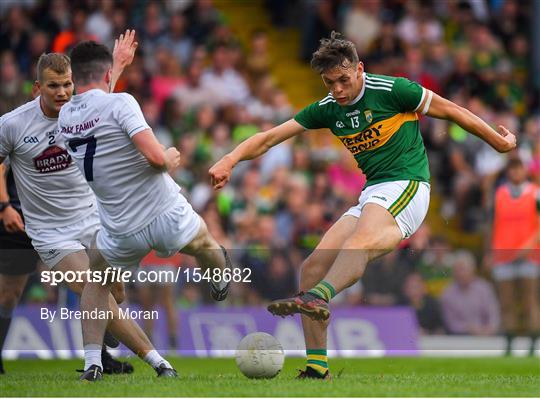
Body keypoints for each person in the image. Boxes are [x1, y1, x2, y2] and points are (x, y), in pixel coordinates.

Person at [209, 31, 516, 379]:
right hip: (373, 194)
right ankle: (316, 368)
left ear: (359, 69)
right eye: (329, 83)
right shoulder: (327, 109)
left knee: (353, 249)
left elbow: (452, 111)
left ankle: (320, 296)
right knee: (311, 269)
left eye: (343, 80)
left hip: (408, 186)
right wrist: (230, 159)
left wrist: (498, 141)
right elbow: (268, 138)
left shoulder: (394, 90)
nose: (337, 90)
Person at [0, 31, 172, 378]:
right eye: (52, 86)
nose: (62, 92)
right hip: (50, 232)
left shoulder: (81, 112)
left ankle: (103, 351)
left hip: (94, 221)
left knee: (116, 293)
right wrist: (4, 205)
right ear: (37, 87)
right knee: (92, 290)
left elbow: (105, 98)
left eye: (66, 84)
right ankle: (158, 363)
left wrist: (118, 64)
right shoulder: (13, 124)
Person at [58, 40, 231, 382]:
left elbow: (96, 102)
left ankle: (93, 363)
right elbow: (155, 159)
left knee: (98, 284)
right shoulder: (122, 102)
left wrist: (117, 66)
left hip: (120, 229)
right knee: (209, 247)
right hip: (163, 212)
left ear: (73, 78)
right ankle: (220, 279)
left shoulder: (66, 116)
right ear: (107, 73)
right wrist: (169, 156)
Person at [489, 158, 539, 355]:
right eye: (512, 169)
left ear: (525, 171)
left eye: (519, 169)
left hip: (529, 254)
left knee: (529, 300)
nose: (516, 173)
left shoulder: (535, 193)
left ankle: (533, 345)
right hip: (504, 253)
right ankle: (509, 345)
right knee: (507, 301)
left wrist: (529, 245)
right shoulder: (500, 193)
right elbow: (493, 223)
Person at [0, 163, 39, 374]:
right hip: (11, 213)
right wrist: (4, 205)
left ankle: (100, 357)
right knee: (8, 294)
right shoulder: (9, 129)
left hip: (33, 215)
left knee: (9, 294)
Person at [440, 250, 500, 336]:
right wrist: (470, 329)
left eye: (463, 269)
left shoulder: (485, 288)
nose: (460, 273)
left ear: (472, 269)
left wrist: (489, 329)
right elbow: (451, 323)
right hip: (459, 338)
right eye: (457, 270)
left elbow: (493, 315)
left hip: (487, 335)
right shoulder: (447, 293)